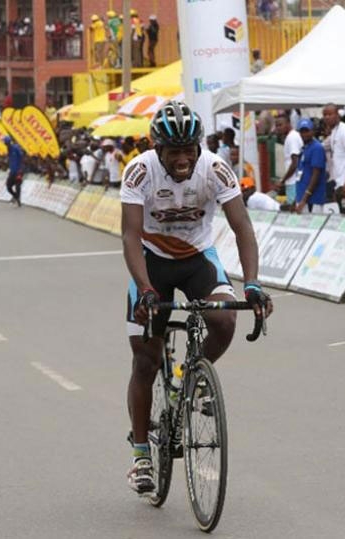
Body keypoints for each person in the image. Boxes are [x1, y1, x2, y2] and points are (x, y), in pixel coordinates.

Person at [120, 101, 272, 495]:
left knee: (224, 320)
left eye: (190, 149)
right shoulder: (139, 172)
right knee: (145, 359)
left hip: (197, 257)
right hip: (151, 262)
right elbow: (130, 236)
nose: (184, 158)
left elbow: (242, 228)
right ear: (158, 149)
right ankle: (140, 454)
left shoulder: (215, 169)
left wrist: (252, 283)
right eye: (175, 151)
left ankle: (191, 377)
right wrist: (147, 290)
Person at [322, 103, 345, 213]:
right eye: (325, 114)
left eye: (330, 114)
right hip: (340, 184)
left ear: (337, 115)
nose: (327, 117)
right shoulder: (334, 132)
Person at [295, 119, 327, 213]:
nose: (304, 134)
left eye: (307, 131)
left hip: (312, 200)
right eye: (302, 131)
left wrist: (304, 199)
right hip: (302, 197)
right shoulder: (304, 148)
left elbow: (316, 175)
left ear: (313, 131)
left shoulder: (317, 148)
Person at [274, 113, 303, 200]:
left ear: (288, 124)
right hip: (293, 181)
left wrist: (282, 180)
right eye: (276, 126)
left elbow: (295, 163)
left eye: (280, 125)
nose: (278, 128)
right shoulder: (291, 136)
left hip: (293, 182)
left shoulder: (292, 137)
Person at [4, 136, 25, 207]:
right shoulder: (8, 149)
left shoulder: (16, 148)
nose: (5, 144)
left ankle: (18, 200)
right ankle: (15, 196)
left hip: (19, 170)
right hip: (12, 171)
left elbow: (22, 157)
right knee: (8, 186)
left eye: (5, 143)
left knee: (17, 185)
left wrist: (21, 169)